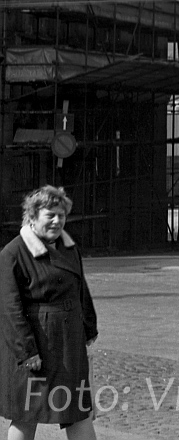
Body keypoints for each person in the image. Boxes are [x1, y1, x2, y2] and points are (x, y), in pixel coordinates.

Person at [0, 185, 99, 439]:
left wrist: (89, 326)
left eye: (61, 215)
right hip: (36, 346)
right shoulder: (12, 253)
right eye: (50, 215)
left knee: (77, 411)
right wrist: (26, 351)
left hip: (68, 345)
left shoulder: (69, 248)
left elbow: (80, 289)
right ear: (32, 217)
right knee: (26, 416)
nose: (57, 221)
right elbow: (9, 308)